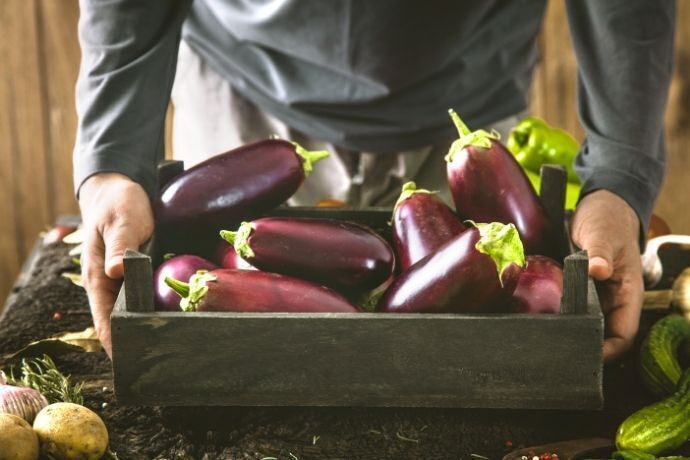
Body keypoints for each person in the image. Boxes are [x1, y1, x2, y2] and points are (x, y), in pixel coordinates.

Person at [74, 0, 675, 361]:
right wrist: (111, 162)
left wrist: (620, 176)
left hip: (468, 83)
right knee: (230, 313)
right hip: (243, 83)